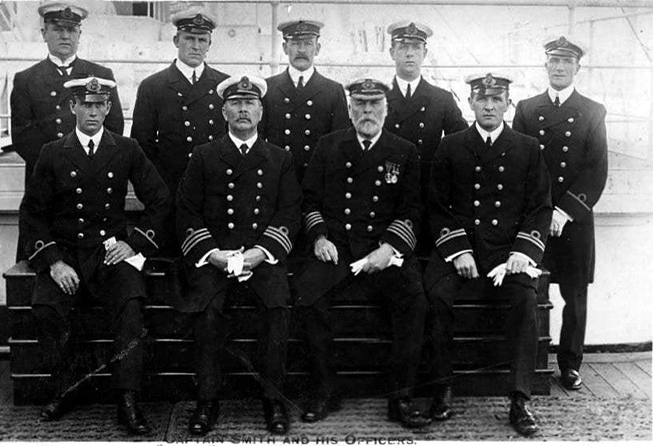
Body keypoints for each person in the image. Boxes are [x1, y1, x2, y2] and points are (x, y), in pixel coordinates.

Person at [18, 76, 170, 435]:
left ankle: (127, 399)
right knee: (46, 309)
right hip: (67, 255)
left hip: (110, 254)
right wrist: (53, 262)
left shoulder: (127, 148)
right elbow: (33, 215)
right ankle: (65, 389)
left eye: (100, 105)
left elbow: (161, 200)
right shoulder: (53, 152)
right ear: (73, 107)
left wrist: (134, 243)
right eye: (86, 104)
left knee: (132, 306)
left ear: (108, 108)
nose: (93, 111)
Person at [292, 79, 429, 429]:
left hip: (384, 250)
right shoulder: (329, 146)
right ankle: (325, 389)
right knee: (307, 297)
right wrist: (320, 237)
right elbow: (310, 200)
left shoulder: (405, 150)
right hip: (337, 249)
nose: (367, 111)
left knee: (414, 301)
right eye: (360, 105)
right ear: (349, 109)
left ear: (387, 109)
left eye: (374, 104)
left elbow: (412, 209)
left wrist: (390, 247)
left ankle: (400, 396)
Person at [424, 73, 552, 436]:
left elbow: (540, 206)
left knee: (525, 303)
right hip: (460, 251)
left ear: (508, 104)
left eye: (497, 100)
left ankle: (519, 398)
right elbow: (437, 206)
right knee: (436, 296)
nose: (490, 106)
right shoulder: (451, 146)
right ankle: (443, 387)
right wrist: (458, 250)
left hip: (506, 254)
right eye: (483, 100)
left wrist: (524, 251)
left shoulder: (527, 147)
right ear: (471, 104)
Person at [175, 75, 302, 436]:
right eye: (236, 103)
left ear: (261, 111)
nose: (243, 109)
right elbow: (187, 210)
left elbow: (289, 211)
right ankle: (207, 399)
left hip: (261, 257)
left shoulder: (280, 158)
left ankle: (273, 399)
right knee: (208, 312)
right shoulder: (203, 156)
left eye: (250, 103)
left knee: (277, 308)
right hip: (216, 257)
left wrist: (261, 253)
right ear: (223, 111)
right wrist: (212, 253)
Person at [513, 36, 608, 392]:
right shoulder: (526, 108)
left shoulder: (593, 111)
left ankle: (569, 364)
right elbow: (519, 164)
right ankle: (530, 365)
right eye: (554, 61)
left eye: (566, 63)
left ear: (577, 69)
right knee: (529, 291)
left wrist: (565, 211)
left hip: (574, 221)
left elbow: (596, 170)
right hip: (536, 219)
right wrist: (542, 211)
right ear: (546, 66)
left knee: (575, 295)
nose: (559, 68)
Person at [132, 9, 229, 256]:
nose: (195, 46)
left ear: (209, 44)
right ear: (176, 41)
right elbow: (141, 146)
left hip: (214, 193)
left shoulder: (224, 86)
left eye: (202, 40)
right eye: (189, 38)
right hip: (169, 191)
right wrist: (156, 193)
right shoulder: (153, 86)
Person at [11, 1, 124, 186]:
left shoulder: (101, 76)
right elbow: (22, 136)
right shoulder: (26, 79)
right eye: (57, 29)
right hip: (46, 176)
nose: (65, 36)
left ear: (79, 35)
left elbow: (114, 126)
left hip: (91, 172)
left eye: (71, 30)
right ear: (44, 34)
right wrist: (58, 164)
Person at [383, 21, 467, 256]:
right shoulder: (378, 97)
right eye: (402, 47)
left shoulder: (441, 99)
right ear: (392, 53)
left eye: (416, 47)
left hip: (429, 193)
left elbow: (462, 143)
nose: (410, 53)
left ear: (425, 53)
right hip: (387, 192)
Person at [260, 19, 350, 182]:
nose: (301, 50)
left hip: (317, 181)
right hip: (277, 180)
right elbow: (258, 142)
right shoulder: (268, 88)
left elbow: (339, 146)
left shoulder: (333, 90)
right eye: (295, 43)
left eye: (308, 43)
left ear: (317, 49)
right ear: (285, 48)